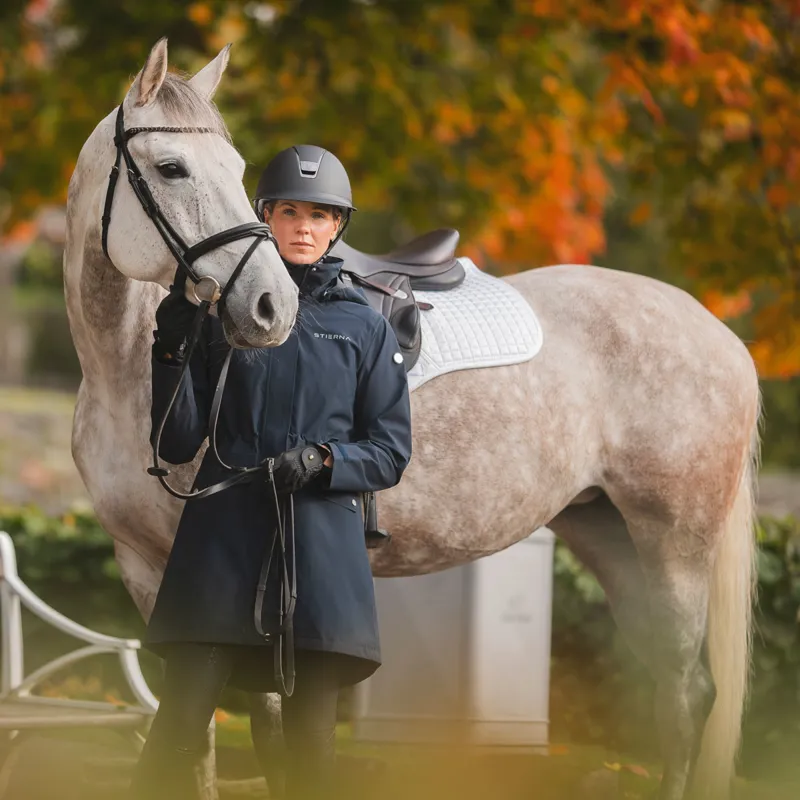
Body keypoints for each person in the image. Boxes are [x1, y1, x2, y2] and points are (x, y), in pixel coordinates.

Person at [129, 145, 412, 800]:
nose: (304, 227)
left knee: (311, 750)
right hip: (221, 540)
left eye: (320, 215)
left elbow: (390, 450)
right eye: (290, 211)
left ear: (337, 226)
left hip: (319, 549)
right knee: (177, 725)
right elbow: (175, 444)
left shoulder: (365, 327)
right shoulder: (221, 314)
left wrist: (323, 459)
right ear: (265, 216)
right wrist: (171, 346)